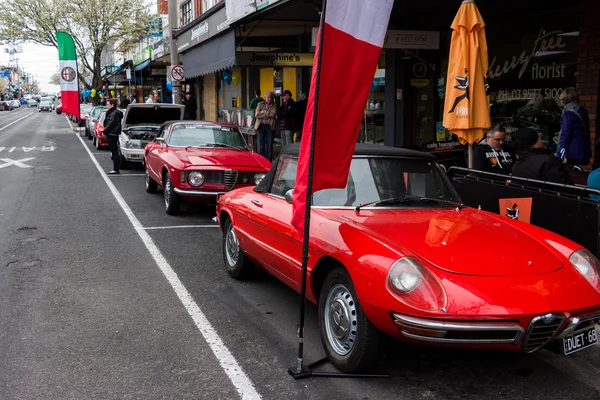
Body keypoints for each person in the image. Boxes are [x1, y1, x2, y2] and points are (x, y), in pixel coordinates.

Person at [558, 87, 592, 167]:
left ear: (565, 100)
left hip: (573, 152)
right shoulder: (583, 110)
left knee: (573, 175)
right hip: (584, 150)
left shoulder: (569, 114)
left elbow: (566, 135)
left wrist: (559, 155)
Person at [254, 91, 277, 161]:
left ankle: (269, 162)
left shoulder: (274, 105)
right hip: (260, 126)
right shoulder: (260, 104)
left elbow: (273, 114)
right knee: (261, 146)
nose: (269, 99)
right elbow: (257, 115)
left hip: (270, 127)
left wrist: (263, 113)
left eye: (270, 97)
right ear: (265, 98)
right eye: (268, 97)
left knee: (269, 146)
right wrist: (267, 114)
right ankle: (262, 161)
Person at [103, 99, 124, 175]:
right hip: (112, 133)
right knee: (114, 151)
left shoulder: (114, 113)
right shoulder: (112, 112)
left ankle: (116, 169)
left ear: (112, 105)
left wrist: (105, 131)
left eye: (108, 104)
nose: (106, 106)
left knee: (114, 151)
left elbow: (111, 123)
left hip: (112, 134)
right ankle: (115, 168)